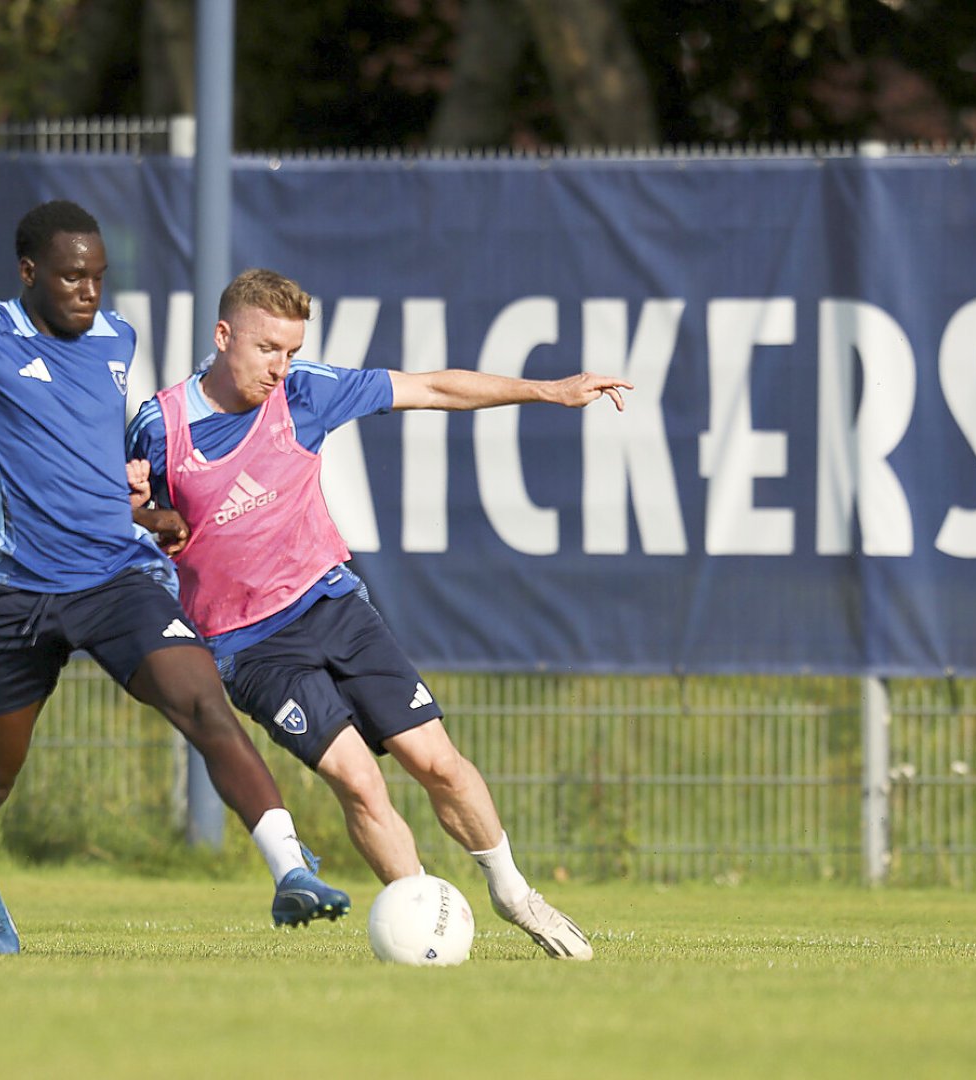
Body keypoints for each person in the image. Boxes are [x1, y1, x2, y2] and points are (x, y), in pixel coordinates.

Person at [0, 202, 350, 955]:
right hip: (15, 592)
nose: (90, 291)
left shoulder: (117, 337)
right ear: (29, 273)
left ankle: (290, 873)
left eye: (99, 276)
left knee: (204, 706)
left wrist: (145, 520)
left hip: (116, 577)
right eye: (72, 276)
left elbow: (85, 461)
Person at [126, 269, 630, 961]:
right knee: (357, 780)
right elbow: (124, 516)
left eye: (291, 350)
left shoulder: (306, 393)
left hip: (332, 605)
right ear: (223, 336)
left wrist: (547, 390)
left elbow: (433, 386)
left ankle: (516, 895)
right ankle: (426, 923)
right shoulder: (161, 426)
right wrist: (148, 520)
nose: (280, 366)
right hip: (249, 647)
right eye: (267, 347)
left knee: (437, 762)